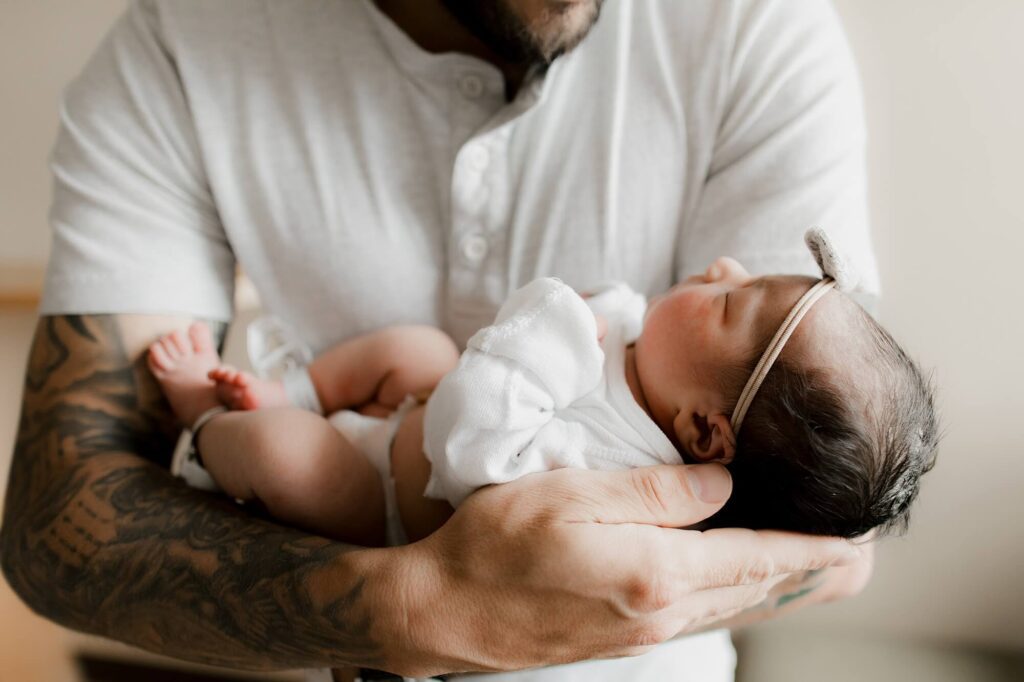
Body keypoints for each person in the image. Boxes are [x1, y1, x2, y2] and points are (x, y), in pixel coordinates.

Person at [1, 0, 880, 679]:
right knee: (331, 411)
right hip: (381, 485)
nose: (726, 272)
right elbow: (59, 521)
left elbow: (835, 539)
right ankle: (244, 414)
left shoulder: (758, 34)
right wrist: (410, 609)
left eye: (735, 303)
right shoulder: (181, 47)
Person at [146, 246, 937, 551]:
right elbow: (591, 325)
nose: (726, 267)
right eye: (754, 274)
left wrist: (556, 329)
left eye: (735, 305)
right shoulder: (644, 338)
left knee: (289, 457)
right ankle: (285, 388)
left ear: (702, 429)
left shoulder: (615, 469)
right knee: (414, 349)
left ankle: (208, 423)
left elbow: (469, 455)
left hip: (384, 495)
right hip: (422, 403)